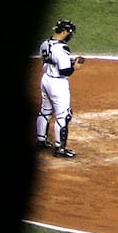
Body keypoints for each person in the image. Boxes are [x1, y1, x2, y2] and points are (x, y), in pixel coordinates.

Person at [36, 19, 85, 158]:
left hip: (46, 79)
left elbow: (51, 61)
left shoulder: (45, 43)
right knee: (64, 116)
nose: (70, 35)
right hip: (58, 84)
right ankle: (60, 149)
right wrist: (75, 67)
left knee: (45, 110)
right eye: (69, 33)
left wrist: (69, 61)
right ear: (64, 32)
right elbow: (65, 71)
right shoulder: (62, 48)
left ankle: (41, 140)